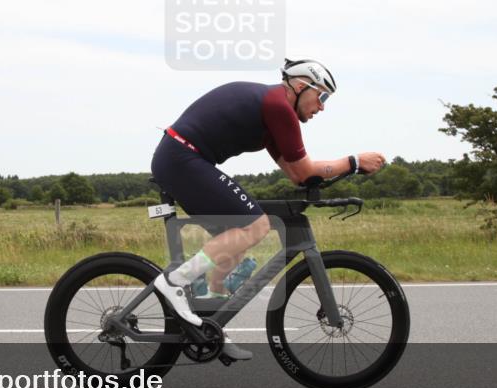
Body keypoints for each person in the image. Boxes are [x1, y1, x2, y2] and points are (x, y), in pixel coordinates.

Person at [150, 58, 387, 361]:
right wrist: (354, 162)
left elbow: (297, 174)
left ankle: (209, 322)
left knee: (234, 243)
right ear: (301, 87)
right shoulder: (278, 106)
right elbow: (303, 169)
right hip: (182, 157)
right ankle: (174, 283)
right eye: (322, 96)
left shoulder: (273, 113)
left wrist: (330, 177)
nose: (322, 107)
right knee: (256, 226)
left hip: (183, 158)